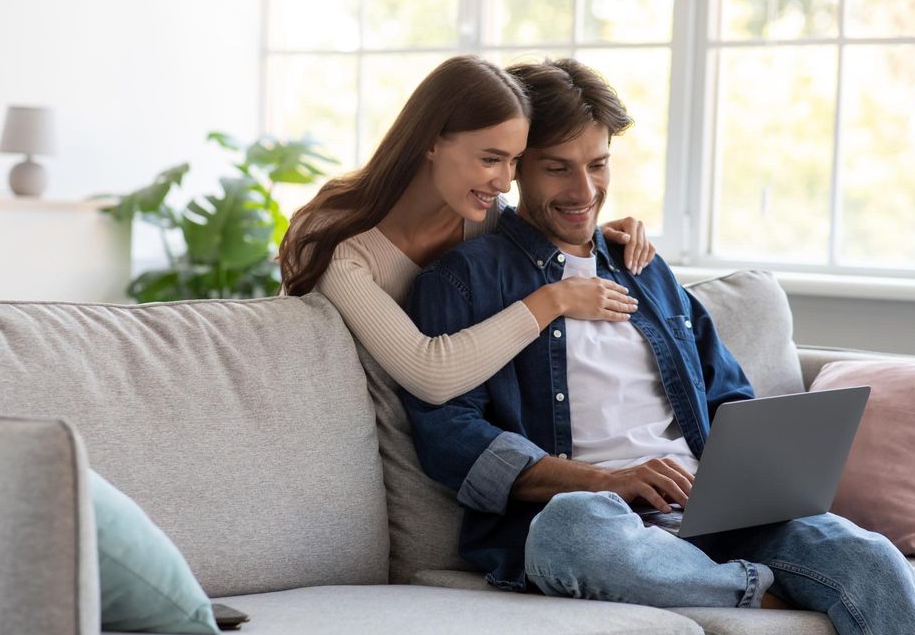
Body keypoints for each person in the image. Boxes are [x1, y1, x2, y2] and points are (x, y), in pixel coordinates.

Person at [400, 58, 915, 635]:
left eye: (598, 164)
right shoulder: (466, 281)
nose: (584, 192)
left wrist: (763, 471)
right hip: (590, 519)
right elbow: (450, 439)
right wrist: (609, 482)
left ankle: (721, 571)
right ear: (514, 170)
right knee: (573, 533)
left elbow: (727, 393)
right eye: (557, 169)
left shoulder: (643, 268)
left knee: (869, 555)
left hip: (712, 515)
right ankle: (753, 589)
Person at [277, 54, 657, 405]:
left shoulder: (485, 216)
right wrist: (554, 300)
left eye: (515, 161)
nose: (506, 182)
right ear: (430, 143)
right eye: (491, 159)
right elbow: (431, 374)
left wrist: (594, 240)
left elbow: (538, 241)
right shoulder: (337, 241)